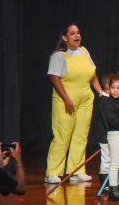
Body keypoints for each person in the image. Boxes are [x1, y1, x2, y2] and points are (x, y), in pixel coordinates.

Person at [45, 23, 104, 184]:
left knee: (81, 134)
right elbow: (54, 78)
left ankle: (77, 171)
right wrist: (66, 99)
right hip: (66, 99)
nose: (77, 35)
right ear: (65, 38)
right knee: (62, 135)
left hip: (85, 98)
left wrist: (101, 92)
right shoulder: (58, 55)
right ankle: (53, 172)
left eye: (78, 32)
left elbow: (92, 75)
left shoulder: (84, 51)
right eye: (72, 33)